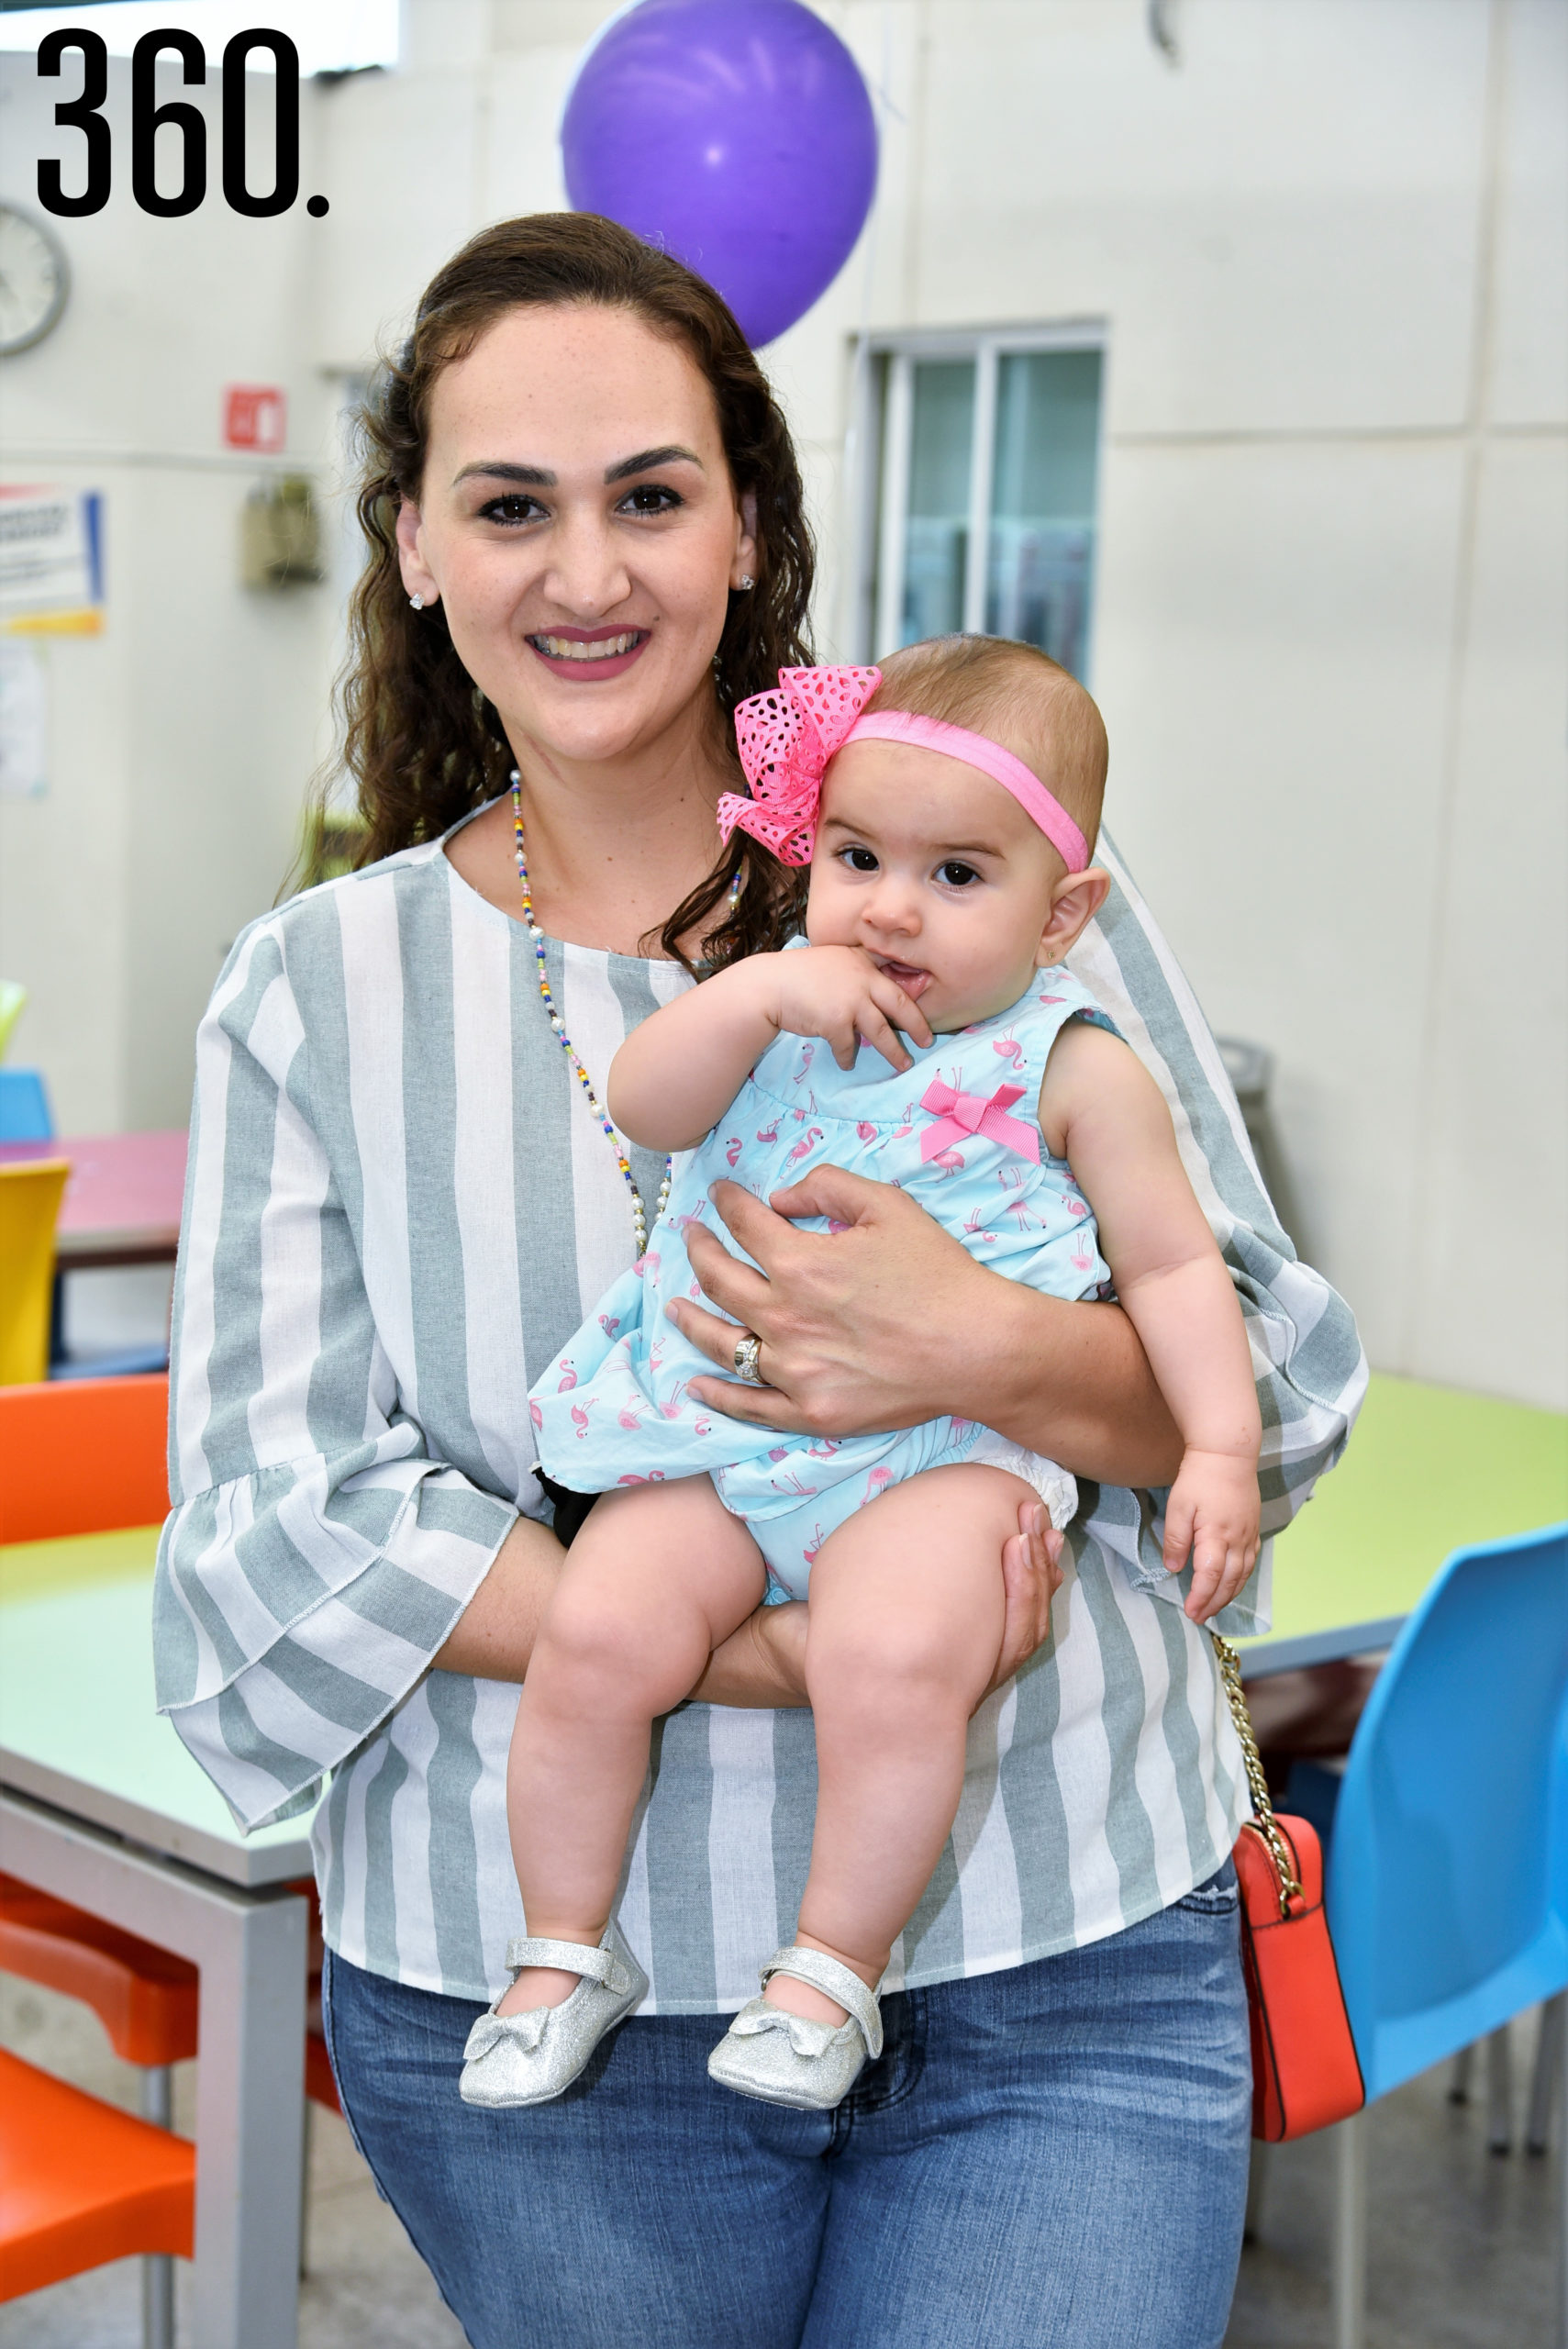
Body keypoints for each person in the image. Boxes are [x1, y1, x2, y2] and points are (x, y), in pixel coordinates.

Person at [153, 212, 1364, 2349]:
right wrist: (776, 1652)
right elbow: (282, 1529)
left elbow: (1273, 1365)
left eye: (652, 495)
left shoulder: (993, 883)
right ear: (418, 547)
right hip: (555, 2039)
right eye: (510, 506)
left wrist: (984, 1345)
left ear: (747, 531)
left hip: (1060, 1936)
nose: (587, 570)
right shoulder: (317, 986)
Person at [476, 637, 1262, 2118]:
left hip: (942, 1462)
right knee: (593, 1631)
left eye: (957, 876)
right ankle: (564, 1947)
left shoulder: (1071, 1065)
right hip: (721, 1441)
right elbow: (646, 1106)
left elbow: (1170, 1273)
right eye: (855, 857)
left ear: (1062, 912)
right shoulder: (784, 1012)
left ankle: (826, 1971)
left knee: (892, 1657)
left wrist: (1216, 1448)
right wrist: (752, 996)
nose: (890, 907)